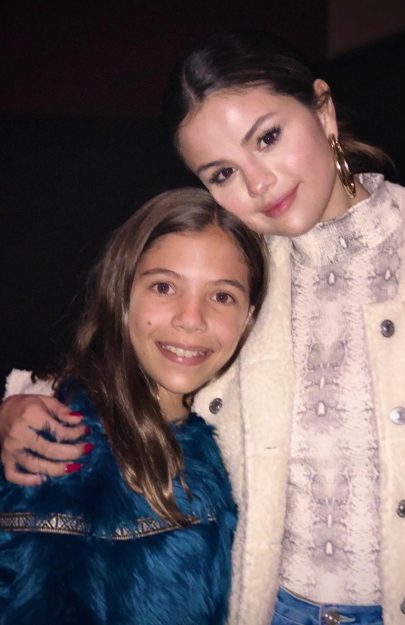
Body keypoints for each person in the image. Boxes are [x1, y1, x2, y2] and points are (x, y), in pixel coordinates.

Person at [1, 31, 405, 625]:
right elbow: (139, 358)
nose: (258, 184)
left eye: (268, 138)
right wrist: (19, 405)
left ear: (322, 109)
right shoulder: (239, 277)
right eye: (222, 173)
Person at [0, 187, 268, 625]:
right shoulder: (63, 450)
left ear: (250, 317)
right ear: (122, 294)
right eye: (164, 287)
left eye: (222, 296)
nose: (191, 318)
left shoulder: (246, 439)